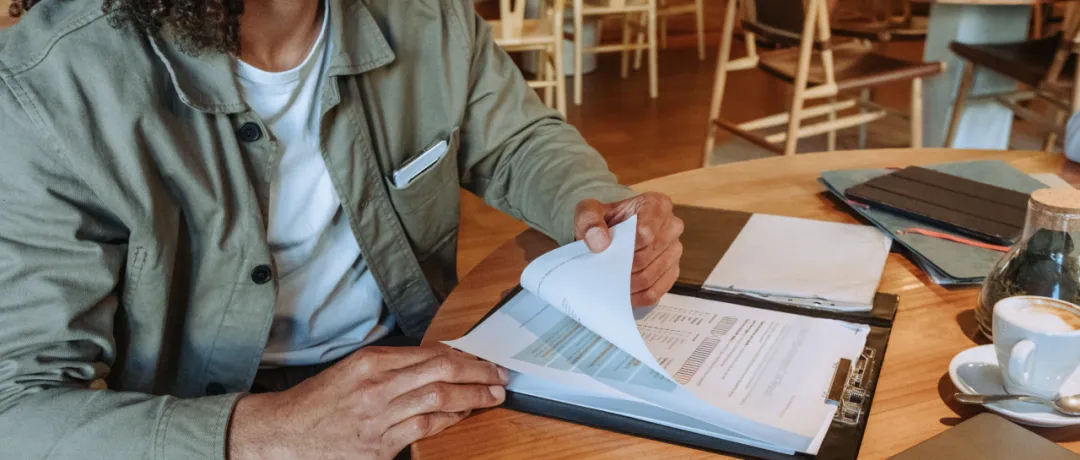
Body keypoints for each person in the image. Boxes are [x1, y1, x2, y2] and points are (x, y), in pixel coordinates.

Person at [0, 0, 684, 458]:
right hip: (206, 421)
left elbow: (515, 141)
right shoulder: (50, 86)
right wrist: (264, 433)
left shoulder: (429, 16)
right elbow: (18, 407)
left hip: (416, 368)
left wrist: (597, 210)